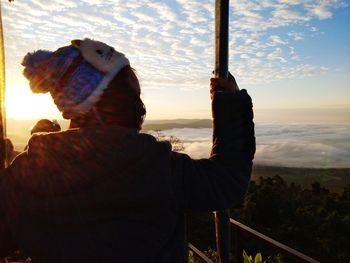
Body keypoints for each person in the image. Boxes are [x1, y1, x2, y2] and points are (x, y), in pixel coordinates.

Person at [0, 38, 255, 262]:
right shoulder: (154, 166)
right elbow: (226, 181)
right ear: (120, 98)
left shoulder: (26, 173)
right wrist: (230, 106)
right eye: (134, 90)